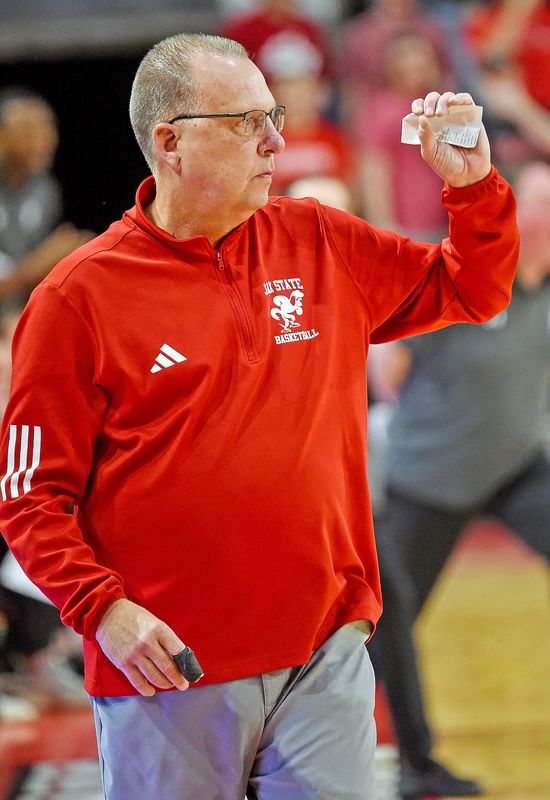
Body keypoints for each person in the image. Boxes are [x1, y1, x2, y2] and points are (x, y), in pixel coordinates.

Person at [0, 33, 518, 800]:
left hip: (325, 650)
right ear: (171, 142)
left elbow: (473, 287)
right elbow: (29, 494)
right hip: (167, 670)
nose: (278, 139)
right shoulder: (78, 299)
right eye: (249, 121)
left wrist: (471, 186)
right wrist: (102, 611)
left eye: (273, 115)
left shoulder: (318, 240)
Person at [368, 160, 550, 800]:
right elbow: (389, 365)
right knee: (386, 626)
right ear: (519, 214)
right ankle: (405, 759)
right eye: (541, 205)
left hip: (519, 465)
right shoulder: (473, 283)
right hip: (433, 476)